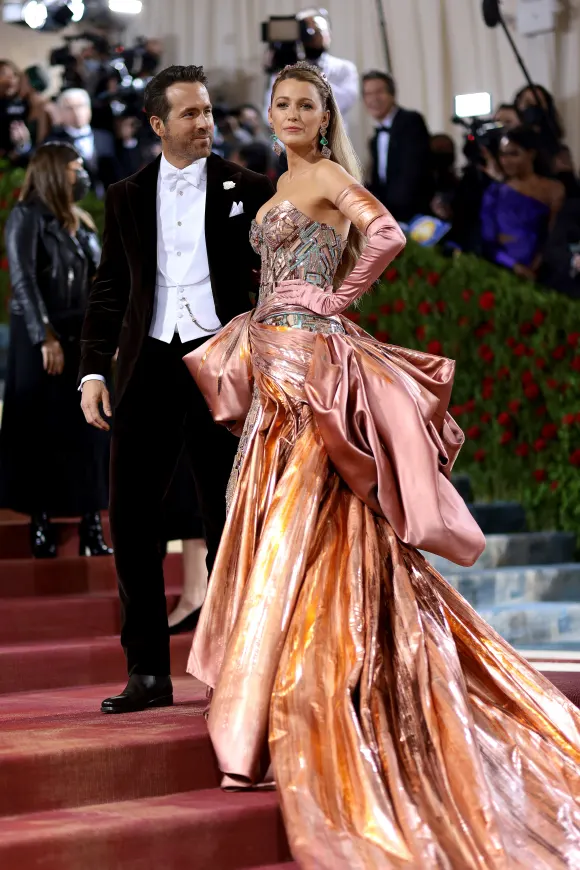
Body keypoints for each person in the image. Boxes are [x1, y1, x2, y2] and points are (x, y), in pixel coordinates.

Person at [185, 61, 580, 868]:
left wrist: (338, 298)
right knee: (282, 513)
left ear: (326, 117)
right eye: (282, 103)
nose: (292, 113)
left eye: (306, 104)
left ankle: (294, 687)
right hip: (271, 361)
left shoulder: (328, 175)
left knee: (304, 512)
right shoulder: (279, 183)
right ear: (269, 112)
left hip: (310, 363)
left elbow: (390, 233)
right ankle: (289, 671)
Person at [79, 65, 274, 714]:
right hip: (148, 365)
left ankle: (236, 671)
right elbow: (110, 286)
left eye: (208, 111)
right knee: (132, 516)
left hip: (225, 366)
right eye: (190, 114)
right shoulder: (126, 194)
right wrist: (93, 371)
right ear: (158, 124)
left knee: (229, 519)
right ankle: (147, 674)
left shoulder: (250, 187)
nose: (205, 123)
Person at [0, 143, 111, 558]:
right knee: (40, 430)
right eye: (74, 167)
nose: (80, 174)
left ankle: (91, 525)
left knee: (89, 429)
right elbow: (24, 279)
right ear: (53, 171)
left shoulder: (80, 222)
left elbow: (99, 281)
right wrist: (43, 335)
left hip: (80, 333)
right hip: (42, 336)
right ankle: (40, 521)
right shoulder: (26, 215)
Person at [481, 126, 564, 280]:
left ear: (531, 154)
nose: (506, 161)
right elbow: (488, 239)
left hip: (545, 271)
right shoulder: (495, 192)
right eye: (503, 155)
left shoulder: (553, 189)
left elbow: (555, 235)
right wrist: (513, 265)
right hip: (502, 271)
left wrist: (538, 263)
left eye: (513, 154)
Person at [263, 8, 359, 128]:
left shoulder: (344, 68)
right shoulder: (286, 70)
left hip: (329, 137)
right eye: (306, 31)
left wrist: (304, 74)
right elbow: (270, 114)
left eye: (318, 30)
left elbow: (342, 103)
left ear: (329, 33)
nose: (312, 36)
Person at [362, 69, 432, 222]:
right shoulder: (375, 138)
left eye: (379, 92)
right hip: (389, 215)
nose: (374, 99)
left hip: (413, 216)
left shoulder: (411, 121)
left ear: (392, 94)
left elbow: (412, 173)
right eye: (368, 94)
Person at [46, 89, 117, 195]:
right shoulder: (54, 143)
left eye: (80, 106)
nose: (76, 112)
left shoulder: (106, 137)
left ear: (89, 109)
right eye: (69, 108)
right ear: (60, 113)